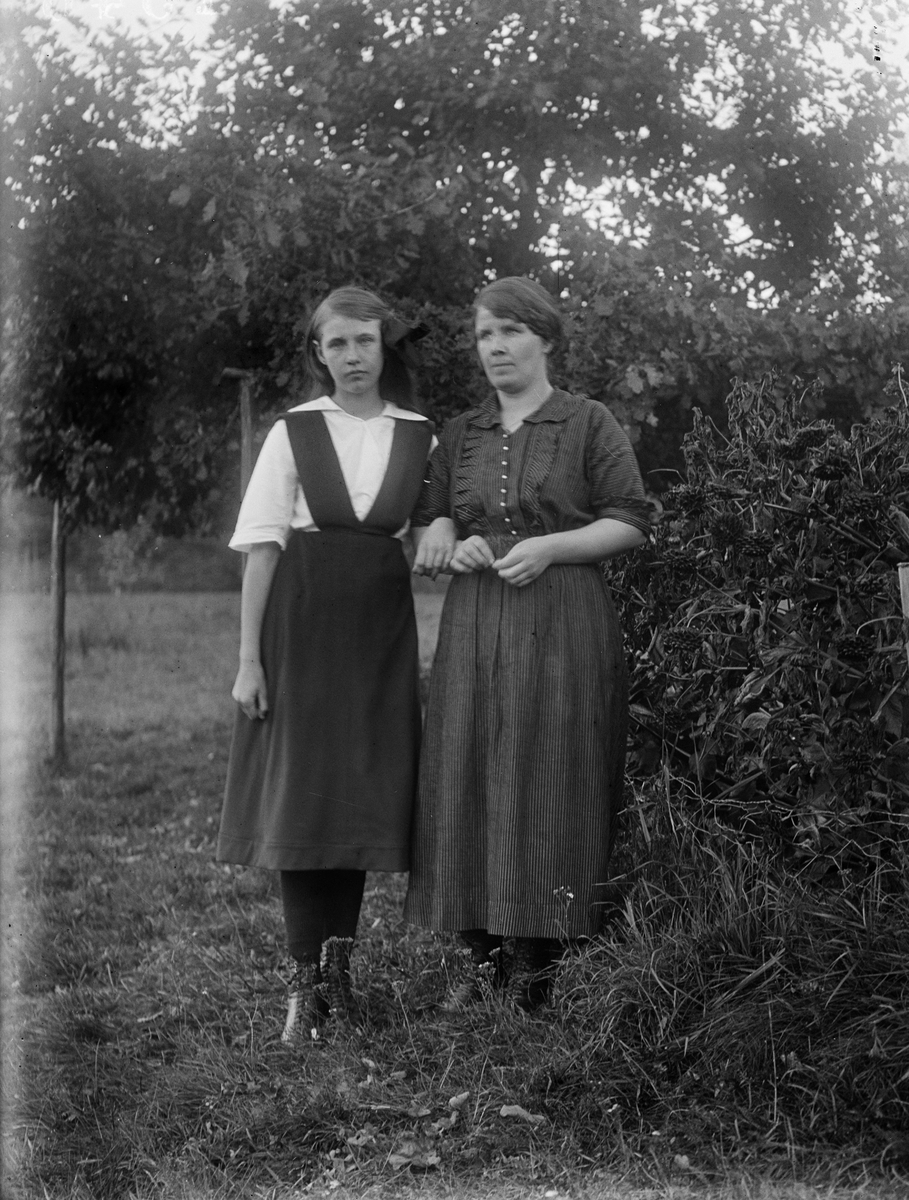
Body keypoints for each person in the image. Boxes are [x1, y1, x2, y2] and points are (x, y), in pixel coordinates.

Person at [405, 276, 651, 1012]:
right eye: (485, 335)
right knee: (468, 762)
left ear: (544, 339)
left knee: (548, 770)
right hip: (476, 618)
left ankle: (538, 960)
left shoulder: (587, 422)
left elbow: (631, 520)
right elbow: (433, 521)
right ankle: (480, 956)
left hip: (562, 616)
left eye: (510, 331)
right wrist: (450, 538)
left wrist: (549, 549)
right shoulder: (461, 433)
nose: (497, 347)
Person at [217, 286, 433, 1042]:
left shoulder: (419, 434)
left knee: (359, 803)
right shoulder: (295, 432)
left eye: (363, 343)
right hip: (301, 630)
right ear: (318, 353)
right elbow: (262, 548)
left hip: (378, 635)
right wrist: (250, 661)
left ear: (384, 348)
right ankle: (303, 991)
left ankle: (339, 981)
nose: (351, 358)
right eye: (335, 344)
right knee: (307, 804)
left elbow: (436, 525)